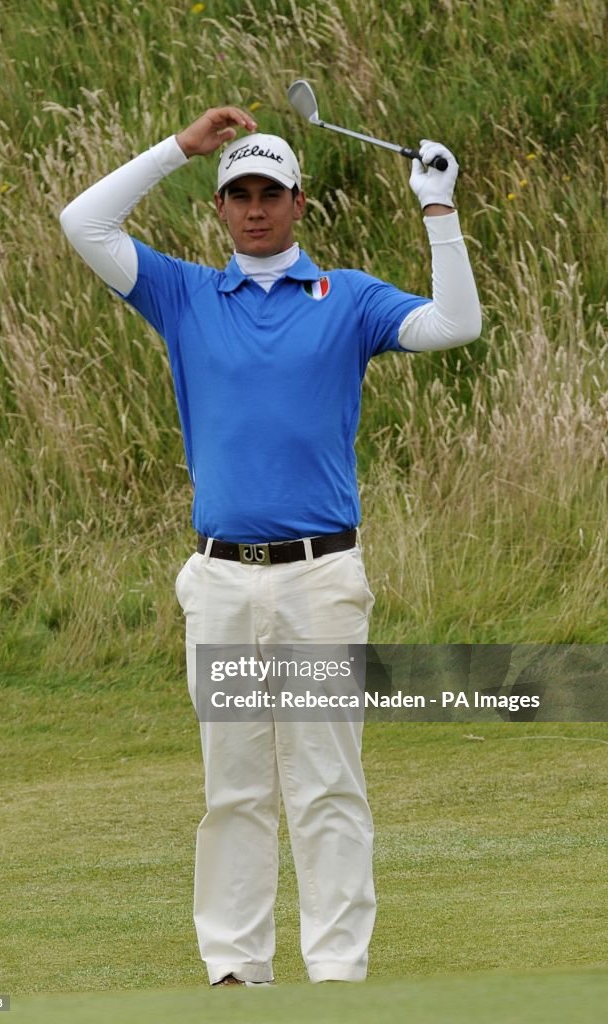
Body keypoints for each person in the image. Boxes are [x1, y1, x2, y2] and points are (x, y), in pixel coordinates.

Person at [59, 106, 481, 986]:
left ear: (300, 202)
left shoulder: (350, 298)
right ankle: (235, 972)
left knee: (327, 785)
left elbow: (454, 325)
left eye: (270, 193)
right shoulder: (180, 293)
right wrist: (180, 149)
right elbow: (83, 221)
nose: (254, 209)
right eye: (238, 194)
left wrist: (438, 214)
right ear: (218, 208)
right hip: (218, 581)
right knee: (235, 789)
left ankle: (336, 974)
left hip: (320, 578)